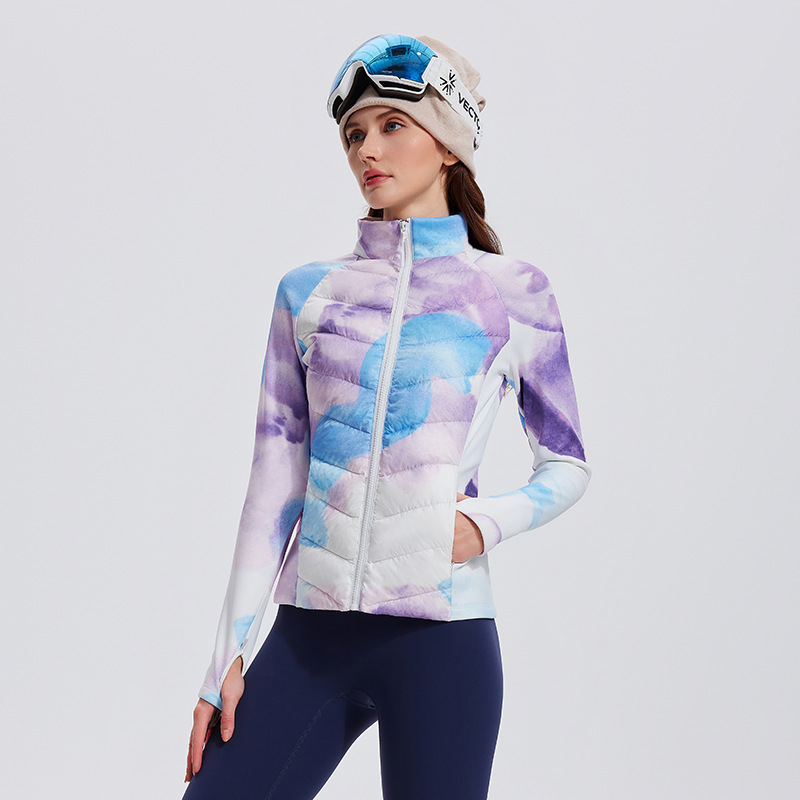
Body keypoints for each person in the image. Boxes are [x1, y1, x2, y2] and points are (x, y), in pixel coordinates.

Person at [182, 33, 590, 800]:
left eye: (392, 125)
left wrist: (485, 524)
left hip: (445, 643)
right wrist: (223, 662)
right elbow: (273, 488)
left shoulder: (515, 294)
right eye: (353, 134)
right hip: (309, 638)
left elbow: (567, 465)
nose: (367, 149)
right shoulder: (308, 294)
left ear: (449, 143)